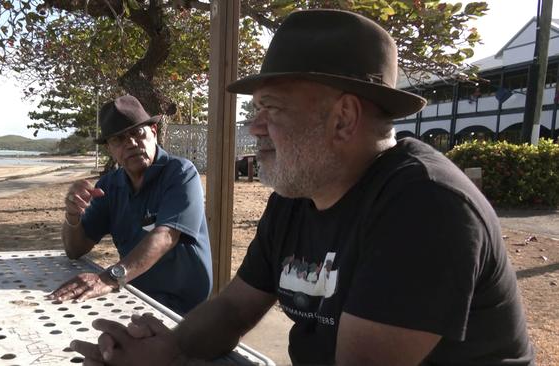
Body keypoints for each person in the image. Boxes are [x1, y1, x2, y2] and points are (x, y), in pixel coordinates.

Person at [70, 10, 534, 366]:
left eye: (270, 108)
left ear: (344, 117)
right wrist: (170, 349)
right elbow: (233, 307)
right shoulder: (298, 196)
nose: (254, 127)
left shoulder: (426, 206)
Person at [49, 94, 212, 315]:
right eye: (118, 139)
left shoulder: (180, 173)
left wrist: (109, 278)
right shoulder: (109, 185)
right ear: (110, 149)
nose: (131, 144)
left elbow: (165, 236)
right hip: (133, 297)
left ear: (153, 131)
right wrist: (72, 214)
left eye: (137, 132)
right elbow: (74, 250)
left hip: (184, 308)